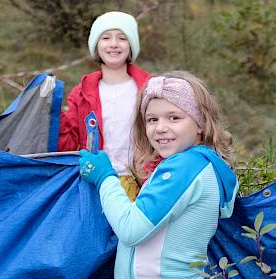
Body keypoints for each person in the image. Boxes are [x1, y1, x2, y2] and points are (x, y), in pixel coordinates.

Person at [77, 71, 238, 279]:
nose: (160, 128)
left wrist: (105, 177)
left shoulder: (185, 167)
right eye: (152, 119)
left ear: (200, 123)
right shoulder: (201, 164)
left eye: (174, 117)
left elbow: (131, 228)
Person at [58, 11, 151, 199]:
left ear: (131, 45)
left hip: (143, 184)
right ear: (96, 46)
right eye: (106, 37)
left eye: (122, 38)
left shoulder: (150, 88)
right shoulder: (81, 93)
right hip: (95, 183)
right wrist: (52, 114)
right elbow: (67, 144)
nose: (114, 44)